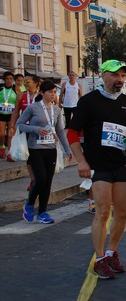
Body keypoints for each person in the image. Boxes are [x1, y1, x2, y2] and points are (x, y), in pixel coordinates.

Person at [67, 59, 126, 280]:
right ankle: (99, 260)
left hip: (121, 164)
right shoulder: (89, 101)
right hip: (99, 166)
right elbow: (72, 133)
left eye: (123, 76)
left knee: (124, 211)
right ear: (103, 76)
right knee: (102, 211)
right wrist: (81, 161)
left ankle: (111, 252)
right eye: (115, 75)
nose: (120, 79)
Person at [18, 80, 72, 224]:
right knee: (40, 179)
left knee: (48, 182)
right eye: (50, 92)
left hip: (51, 148)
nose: (53, 95)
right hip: (36, 148)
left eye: (55, 92)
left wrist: (67, 149)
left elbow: (60, 131)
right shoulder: (33, 108)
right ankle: (29, 204)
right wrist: (36, 129)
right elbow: (20, 124)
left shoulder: (57, 110)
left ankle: (42, 212)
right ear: (42, 93)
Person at [9, 75, 41, 188]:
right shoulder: (21, 95)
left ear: (36, 83)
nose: (26, 84)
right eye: (25, 82)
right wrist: (12, 126)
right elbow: (16, 112)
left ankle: (40, 177)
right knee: (29, 155)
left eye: (28, 82)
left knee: (38, 154)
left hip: (40, 130)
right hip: (25, 129)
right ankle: (33, 180)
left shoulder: (42, 95)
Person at [0, 71, 17, 161]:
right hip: (1, 114)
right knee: (2, 134)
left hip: (11, 115)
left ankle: (10, 153)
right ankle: (2, 148)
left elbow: (17, 102)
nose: (9, 80)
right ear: (4, 79)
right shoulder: (0, 88)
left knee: (11, 135)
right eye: (7, 79)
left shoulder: (15, 89)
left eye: (11, 79)